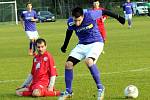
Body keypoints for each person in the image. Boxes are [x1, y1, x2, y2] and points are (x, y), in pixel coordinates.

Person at [59, 7, 125, 100]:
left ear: (83, 16)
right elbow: (69, 32)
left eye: (79, 20)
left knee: (89, 61)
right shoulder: (70, 21)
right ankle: (68, 91)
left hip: (96, 42)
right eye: (75, 20)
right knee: (68, 64)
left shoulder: (90, 15)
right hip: (82, 44)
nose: (77, 23)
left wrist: (118, 17)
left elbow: (104, 11)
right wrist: (64, 45)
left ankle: (100, 88)